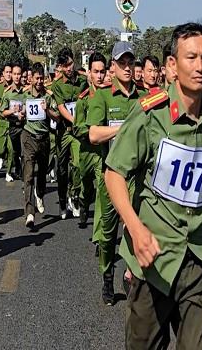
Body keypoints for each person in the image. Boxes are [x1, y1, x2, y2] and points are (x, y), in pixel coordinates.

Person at [105, 23, 202, 349]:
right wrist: (135, 229)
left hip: (196, 255)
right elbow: (114, 173)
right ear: (171, 66)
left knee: (201, 332)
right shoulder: (151, 115)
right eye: (190, 56)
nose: (200, 65)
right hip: (153, 255)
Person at [87, 41, 142, 305]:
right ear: (113, 67)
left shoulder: (143, 98)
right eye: (122, 63)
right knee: (108, 235)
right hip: (111, 174)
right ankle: (107, 275)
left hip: (136, 176)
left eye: (131, 63)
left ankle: (132, 274)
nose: (128, 68)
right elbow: (94, 134)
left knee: (134, 226)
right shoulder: (103, 96)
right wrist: (122, 131)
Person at [50, 48, 88, 219]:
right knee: (62, 169)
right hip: (64, 131)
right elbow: (61, 108)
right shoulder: (57, 85)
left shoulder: (82, 81)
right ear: (60, 67)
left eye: (71, 64)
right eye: (65, 66)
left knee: (79, 164)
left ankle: (75, 195)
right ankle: (62, 200)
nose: (69, 68)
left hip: (78, 133)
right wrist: (75, 120)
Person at [19, 62, 57, 228]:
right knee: (28, 176)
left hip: (44, 139)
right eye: (37, 78)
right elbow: (19, 113)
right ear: (31, 79)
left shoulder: (48, 96)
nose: (40, 81)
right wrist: (21, 114)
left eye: (42, 78)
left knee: (42, 172)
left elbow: (56, 117)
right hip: (28, 137)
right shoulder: (25, 95)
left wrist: (47, 109)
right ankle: (29, 212)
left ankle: (40, 193)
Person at [75, 52, 108, 235]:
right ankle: (83, 202)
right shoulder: (84, 100)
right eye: (96, 72)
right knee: (87, 186)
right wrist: (93, 131)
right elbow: (77, 128)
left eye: (102, 71)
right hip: (87, 151)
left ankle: (99, 237)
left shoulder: (111, 97)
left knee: (102, 192)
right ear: (89, 73)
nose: (100, 76)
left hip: (104, 153)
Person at [0, 63, 26, 182]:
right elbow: (3, 112)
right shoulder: (8, 93)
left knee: (23, 151)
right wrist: (12, 111)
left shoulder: (25, 92)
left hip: (23, 127)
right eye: (14, 74)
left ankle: (23, 174)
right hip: (11, 127)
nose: (16, 76)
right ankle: (9, 171)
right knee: (12, 151)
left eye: (18, 74)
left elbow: (28, 106)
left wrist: (23, 112)